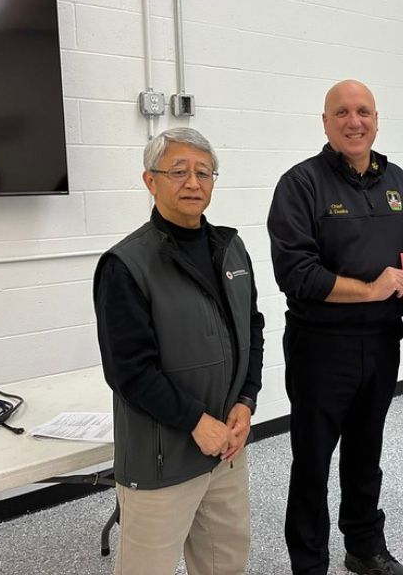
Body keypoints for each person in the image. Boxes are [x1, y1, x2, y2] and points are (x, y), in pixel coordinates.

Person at [267, 80, 403, 575]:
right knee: (312, 461)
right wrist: (370, 289)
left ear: (377, 121)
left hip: (382, 343)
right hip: (321, 347)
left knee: (366, 452)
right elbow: (295, 273)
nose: (353, 121)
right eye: (341, 112)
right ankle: (309, 564)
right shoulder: (301, 184)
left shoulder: (401, 183)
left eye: (363, 112)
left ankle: (364, 547)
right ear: (325, 122)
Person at [93, 127, 264, 575]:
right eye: (179, 171)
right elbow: (129, 372)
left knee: (225, 562)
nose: (193, 182)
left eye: (203, 173)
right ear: (150, 181)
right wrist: (194, 421)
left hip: (225, 448)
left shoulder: (231, 249)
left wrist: (246, 401)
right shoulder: (126, 265)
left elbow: (252, 329)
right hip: (161, 459)